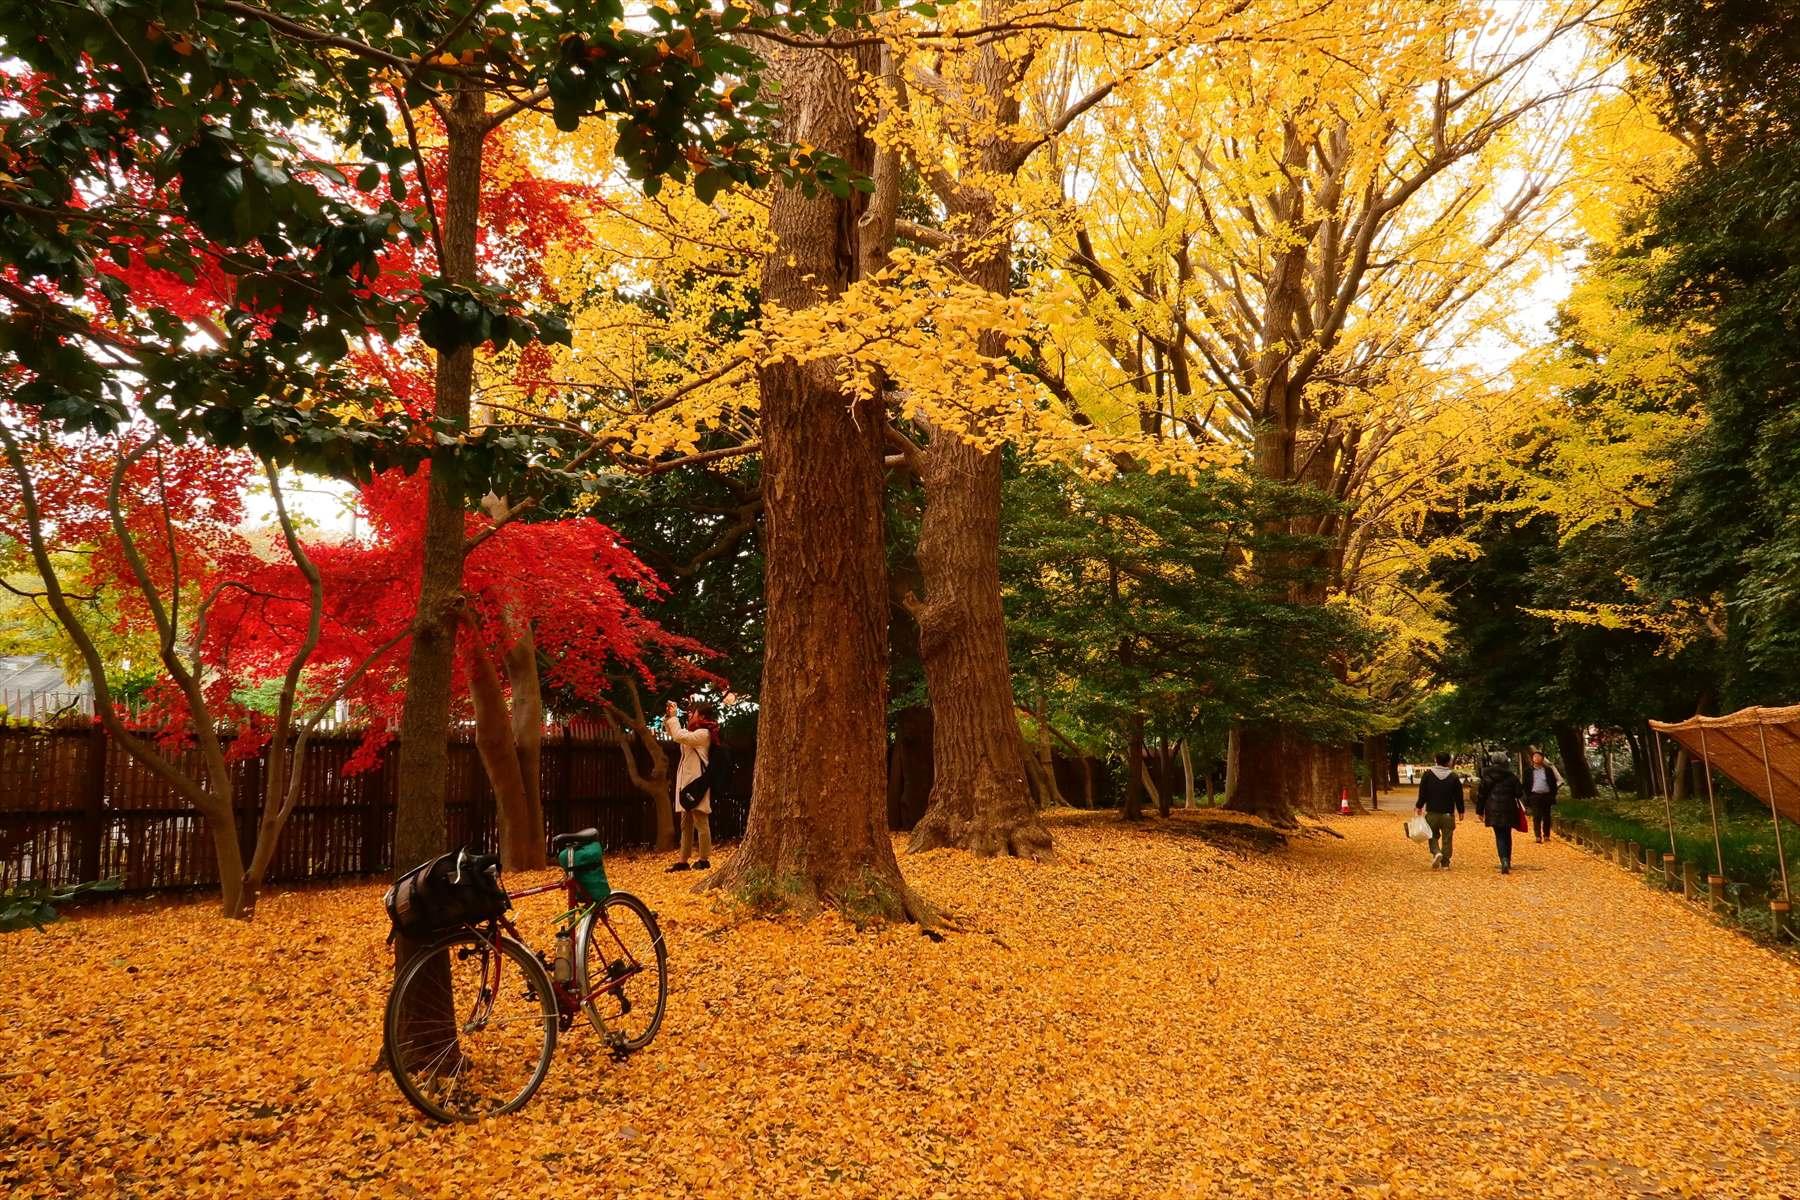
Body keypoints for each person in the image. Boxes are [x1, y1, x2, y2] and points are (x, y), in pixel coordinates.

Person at [664, 698, 719, 872]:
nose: (690, 714)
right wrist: (669, 718)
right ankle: (683, 861)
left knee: (700, 822)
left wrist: (673, 718)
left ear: (702, 715)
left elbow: (679, 735)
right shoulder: (693, 732)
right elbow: (676, 736)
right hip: (687, 784)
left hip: (697, 784)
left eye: (693, 712)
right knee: (685, 824)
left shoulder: (704, 733)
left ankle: (704, 859)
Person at [1414, 752, 1465, 869]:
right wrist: (1461, 811)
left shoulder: (1428, 775)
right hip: (1448, 813)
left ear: (1436, 760)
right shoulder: (1453, 777)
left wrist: (1419, 806)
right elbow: (1458, 796)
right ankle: (1445, 863)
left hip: (1432, 812)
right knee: (1447, 838)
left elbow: (1423, 793)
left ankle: (1436, 852)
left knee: (1431, 835)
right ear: (1448, 762)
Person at [1476, 751, 1524, 874]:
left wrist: (1479, 811)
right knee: (1507, 834)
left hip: (1493, 808)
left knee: (1499, 835)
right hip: (1509, 808)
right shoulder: (1511, 776)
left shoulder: (1487, 776)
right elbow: (1519, 793)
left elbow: (1481, 794)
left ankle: (1503, 860)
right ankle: (1508, 860)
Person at [1523, 749, 1563, 843]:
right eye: (1535, 757)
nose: (1537, 758)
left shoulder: (1548, 770)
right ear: (1532, 759)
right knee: (1536, 816)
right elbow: (1525, 784)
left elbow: (1553, 783)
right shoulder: (1528, 771)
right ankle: (1538, 835)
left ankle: (1546, 835)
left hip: (1546, 795)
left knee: (1546, 816)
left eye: (1539, 756)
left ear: (1542, 758)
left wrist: (1553, 795)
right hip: (1534, 796)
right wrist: (1527, 796)